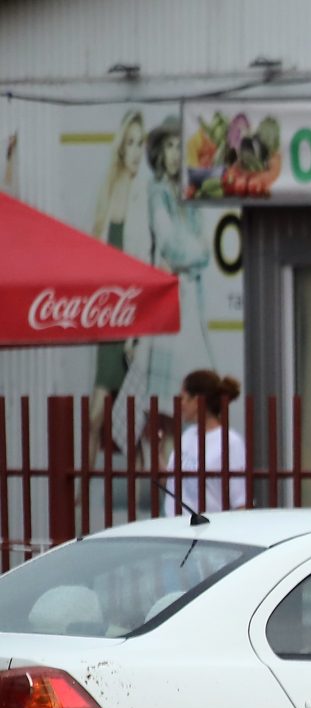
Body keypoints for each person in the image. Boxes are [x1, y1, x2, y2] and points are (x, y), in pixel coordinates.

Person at [132, 119, 218, 407]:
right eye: (169, 146)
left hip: (190, 301)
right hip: (170, 302)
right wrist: (189, 253)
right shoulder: (157, 192)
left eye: (180, 147)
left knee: (195, 395)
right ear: (159, 152)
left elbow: (205, 252)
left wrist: (188, 255)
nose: (174, 154)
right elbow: (170, 244)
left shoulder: (189, 193)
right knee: (167, 404)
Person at [84, 112, 147, 461]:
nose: (137, 151)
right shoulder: (108, 193)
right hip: (111, 317)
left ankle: (147, 507)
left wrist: (136, 336)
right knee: (96, 414)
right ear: (121, 148)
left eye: (141, 143)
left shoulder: (144, 193)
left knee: (133, 426)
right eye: (132, 143)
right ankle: (79, 495)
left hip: (134, 319)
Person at [159, 370, 249, 516]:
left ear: (196, 401)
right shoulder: (187, 436)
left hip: (208, 530)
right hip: (174, 528)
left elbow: (240, 502)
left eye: (183, 398)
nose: (179, 404)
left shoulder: (230, 442)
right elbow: (170, 484)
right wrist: (158, 452)